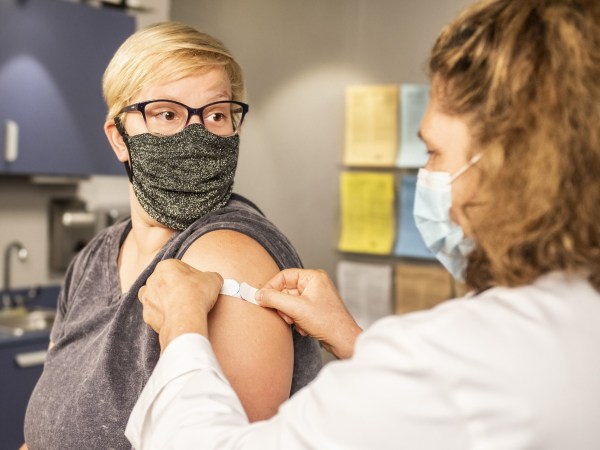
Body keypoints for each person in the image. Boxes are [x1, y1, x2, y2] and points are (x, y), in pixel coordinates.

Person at [126, 0, 600, 448]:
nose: (427, 177)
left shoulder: (456, 358)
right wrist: (353, 340)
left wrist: (183, 327)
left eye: (435, 152)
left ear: (510, 164)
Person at [22, 22, 321, 450]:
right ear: (119, 138)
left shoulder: (230, 255)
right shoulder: (92, 261)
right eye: (166, 114)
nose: (196, 134)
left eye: (217, 114)